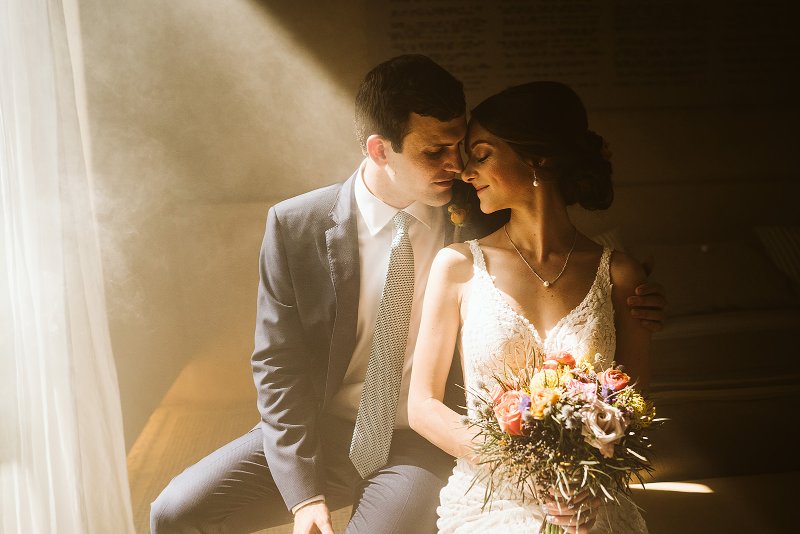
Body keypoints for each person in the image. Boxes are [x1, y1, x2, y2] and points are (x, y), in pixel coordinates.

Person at [151, 57, 665, 534]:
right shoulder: (296, 226)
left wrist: (634, 301)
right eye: (433, 152)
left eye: (461, 147)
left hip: (419, 442)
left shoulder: (480, 208)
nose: (457, 166)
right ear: (379, 149)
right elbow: (278, 364)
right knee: (174, 513)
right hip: (322, 429)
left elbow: (555, 249)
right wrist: (305, 497)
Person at [408, 81, 652, 533]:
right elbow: (422, 405)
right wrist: (522, 466)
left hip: (588, 506)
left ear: (538, 158)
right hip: (491, 503)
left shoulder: (618, 274)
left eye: (481, 155)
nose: (466, 172)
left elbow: (632, 406)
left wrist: (587, 481)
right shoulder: (459, 266)